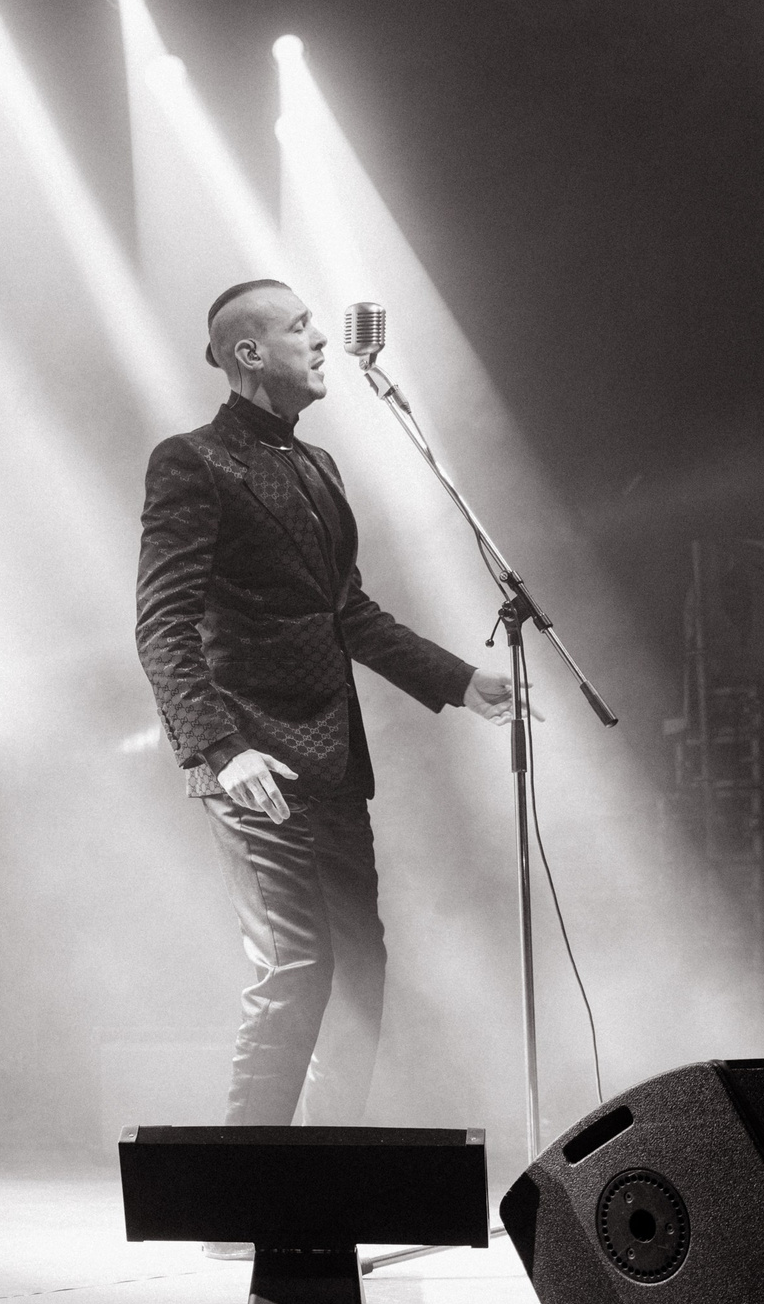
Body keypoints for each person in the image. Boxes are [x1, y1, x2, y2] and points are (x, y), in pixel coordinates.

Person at [136, 278, 517, 1136]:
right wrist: (219, 750)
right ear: (249, 352)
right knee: (298, 964)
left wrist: (459, 680)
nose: (320, 340)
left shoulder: (318, 465)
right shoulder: (192, 461)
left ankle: (320, 1174)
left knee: (360, 969)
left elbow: (347, 612)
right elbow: (161, 623)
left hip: (333, 763)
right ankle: (238, 1190)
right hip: (253, 761)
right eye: (301, 326)